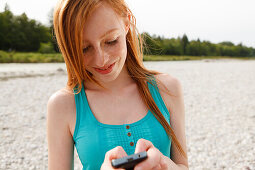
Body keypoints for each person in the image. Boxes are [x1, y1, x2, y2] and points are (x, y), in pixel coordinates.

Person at [47, 0, 189, 169]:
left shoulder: (167, 88)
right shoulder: (63, 105)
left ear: (127, 23)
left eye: (111, 41)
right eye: (84, 48)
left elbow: (182, 166)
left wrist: (163, 163)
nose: (102, 59)